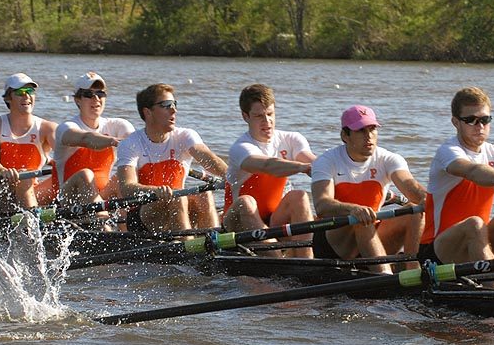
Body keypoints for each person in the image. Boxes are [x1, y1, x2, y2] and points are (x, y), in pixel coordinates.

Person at [417, 87, 494, 285]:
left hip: (476, 241)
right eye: (471, 120)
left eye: (485, 120)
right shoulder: (448, 151)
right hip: (436, 250)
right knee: (475, 223)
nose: (479, 126)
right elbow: (472, 171)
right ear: (455, 122)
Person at [310, 105, 427, 274]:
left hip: (371, 234)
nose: (369, 136)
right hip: (336, 244)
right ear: (345, 135)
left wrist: (427, 198)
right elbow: (322, 205)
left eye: (372, 129)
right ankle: (385, 277)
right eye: (360, 130)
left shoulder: (389, 158)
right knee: (362, 217)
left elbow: (410, 186)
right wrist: (354, 209)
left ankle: (413, 271)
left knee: (414, 209)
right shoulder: (326, 161)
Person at [117, 83, 227, 232]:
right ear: (148, 112)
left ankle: (214, 243)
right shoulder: (130, 143)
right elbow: (127, 187)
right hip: (142, 213)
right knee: (177, 196)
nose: (174, 110)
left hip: (176, 204)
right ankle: (188, 245)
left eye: (174, 104)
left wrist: (232, 176)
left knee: (205, 194)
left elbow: (208, 160)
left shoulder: (185, 136)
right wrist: (155, 191)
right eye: (166, 105)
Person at [221, 84, 315, 257]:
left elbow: (310, 159)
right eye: (259, 116)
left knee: (300, 196)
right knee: (246, 201)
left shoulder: (292, 139)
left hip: (272, 219)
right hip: (235, 223)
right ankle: (279, 257)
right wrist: (302, 168)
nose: (267, 121)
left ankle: (306, 258)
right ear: (245, 116)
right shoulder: (240, 148)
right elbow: (267, 165)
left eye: (270, 114)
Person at [52, 72, 134, 205]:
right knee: (86, 174)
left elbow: (139, 143)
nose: (96, 99)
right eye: (89, 95)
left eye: (100, 94)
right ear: (77, 100)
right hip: (67, 200)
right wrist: (113, 141)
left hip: (101, 196)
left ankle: (124, 222)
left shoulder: (119, 125)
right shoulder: (66, 127)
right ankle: (103, 220)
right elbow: (86, 138)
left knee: (125, 173)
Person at [0, 73, 57, 208]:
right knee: (24, 177)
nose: (26, 96)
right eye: (21, 92)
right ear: (9, 98)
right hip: (1, 189)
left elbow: (67, 155)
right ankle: (33, 223)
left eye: (30, 91)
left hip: (33, 190)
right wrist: (3, 171)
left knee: (74, 177)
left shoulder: (48, 128)